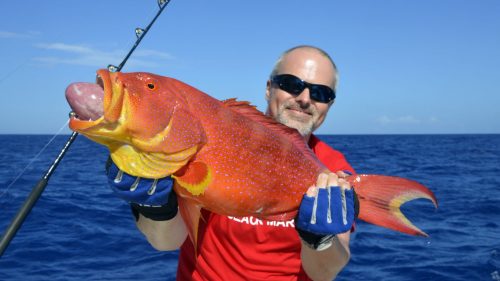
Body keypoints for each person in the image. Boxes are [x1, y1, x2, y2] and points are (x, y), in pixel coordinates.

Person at [106, 45, 356, 281]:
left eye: (321, 93)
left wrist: (320, 239)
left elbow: (324, 274)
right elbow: (166, 242)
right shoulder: (213, 132)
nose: (304, 98)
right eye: (292, 84)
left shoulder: (333, 170)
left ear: (329, 104)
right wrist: (154, 208)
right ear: (269, 88)